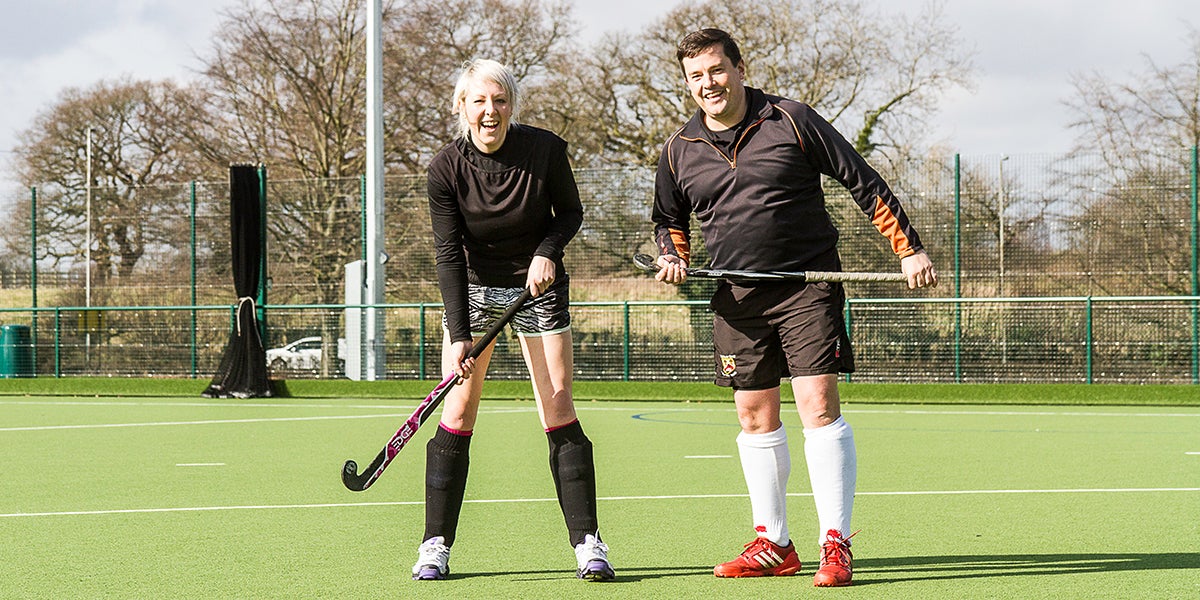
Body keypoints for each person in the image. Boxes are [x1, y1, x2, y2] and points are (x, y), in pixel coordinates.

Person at [650, 29, 939, 587]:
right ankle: (774, 543)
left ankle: (835, 543)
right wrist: (674, 255)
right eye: (696, 77)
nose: (708, 84)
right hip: (737, 298)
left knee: (817, 403)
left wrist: (908, 248)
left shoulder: (792, 118)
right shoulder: (678, 149)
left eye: (716, 70)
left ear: (738, 67)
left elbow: (864, 181)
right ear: (687, 84)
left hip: (807, 288)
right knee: (754, 416)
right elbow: (669, 219)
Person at [414, 58, 614, 582]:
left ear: (512, 106)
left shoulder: (544, 150)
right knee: (457, 410)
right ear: (462, 106)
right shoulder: (444, 169)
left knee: (559, 404)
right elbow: (447, 255)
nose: (490, 111)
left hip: (537, 286)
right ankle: (435, 545)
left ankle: (588, 544)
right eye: (479, 101)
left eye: (499, 101)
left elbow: (570, 213)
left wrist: (548, 252)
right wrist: (459, 335)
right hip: (476, 291)